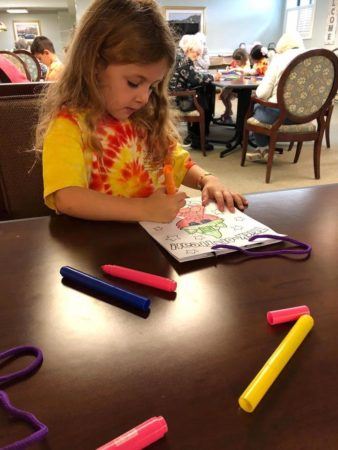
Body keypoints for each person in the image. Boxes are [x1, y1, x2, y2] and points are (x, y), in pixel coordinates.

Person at [36, 0, 247, 224]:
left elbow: (177, 163)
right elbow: (67, 197)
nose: (144, 97)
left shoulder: (143, 118)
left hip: (153, 242)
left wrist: (207, 180)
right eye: (134, 82)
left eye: (152, 86)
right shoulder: (69, 124)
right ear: (93, 66)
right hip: (99, 247)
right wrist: (143, 209)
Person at [247, 31, 305, 161]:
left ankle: (264, 148)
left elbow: (262, 93)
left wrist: (257, 95)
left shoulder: (279, 59)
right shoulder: (314, 60)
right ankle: (265, 149)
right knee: (262, 110)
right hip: (305, 115)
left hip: (280, 115)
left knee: (256, 108)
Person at [170, 34, 221, 151]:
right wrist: (213, 77)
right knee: (203, 102)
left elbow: (192, 76)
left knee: (203, 96)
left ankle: (195, 135)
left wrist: (208, 77)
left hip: (175, 95)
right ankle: (198, 139)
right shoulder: (184, 60)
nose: (197, 57)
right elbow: (194, 79)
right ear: (189, 49)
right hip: (178, 99)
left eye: (199, 54)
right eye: (196, 53)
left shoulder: (179, 56)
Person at [219, 48, 250, 124]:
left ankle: (228, 113)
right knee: (223, 96)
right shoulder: (235, 62)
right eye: (235, 61)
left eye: (237, 61)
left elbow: (247, 72)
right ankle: (228, 111)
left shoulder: (246, 64)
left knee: (226, 96)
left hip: (240, 86)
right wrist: (229, 69)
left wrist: (239, 70)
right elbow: (231, 68)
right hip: (231, 83)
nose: (235, 62)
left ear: (243, 59)